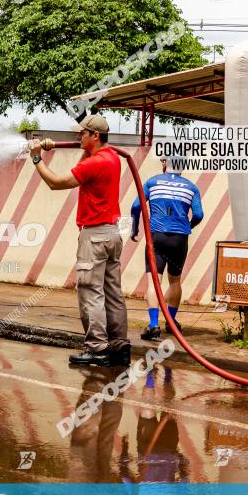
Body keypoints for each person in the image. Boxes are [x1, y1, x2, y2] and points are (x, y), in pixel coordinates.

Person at [28, 114, 130, 367]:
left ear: (95, 136)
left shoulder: (93, 164)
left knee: (91, 292)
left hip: (94, 236)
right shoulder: (112, 158)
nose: (77, 137)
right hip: (111, 234)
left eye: (82, 134)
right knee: (112, 293)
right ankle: (119, 347)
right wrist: (72, 148)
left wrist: (37, 157)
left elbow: (55, 183)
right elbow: (88, 160)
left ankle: (96, 349)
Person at [130, 158, 203, 340]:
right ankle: (171, 322)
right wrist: (188, 226)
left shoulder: (152, 182)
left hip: (157, 236)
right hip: (180, 238)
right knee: (175, 281)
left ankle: (154, 325)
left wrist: (135, 227)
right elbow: (199, 214)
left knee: (154, 281)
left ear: (165, 164)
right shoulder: (191, 188)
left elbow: (136, 206)